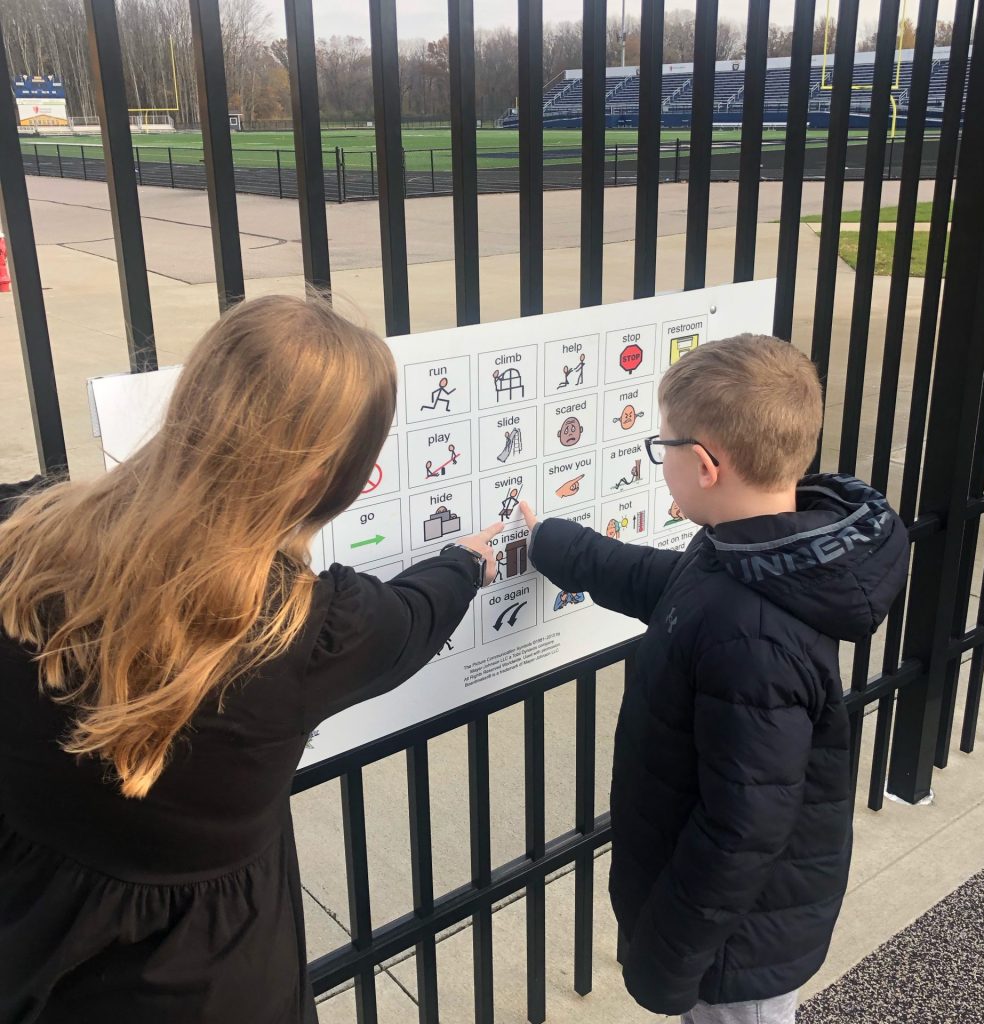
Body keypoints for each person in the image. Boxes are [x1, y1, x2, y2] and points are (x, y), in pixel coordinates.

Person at [0, 295, 502, 1024]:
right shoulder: (311, 628)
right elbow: (415, 617)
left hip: (28, 933)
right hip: (208, 982)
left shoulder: (24, 532)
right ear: (336, 482)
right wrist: (465, 561)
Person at [521, 334, 909, 1024]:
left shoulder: (752, 635)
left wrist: (667, 963)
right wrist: (558, 544)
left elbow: (743, 829)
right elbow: (670, 586)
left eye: (660, 447)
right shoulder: (757, 552)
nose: (659, 460)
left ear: (702, 464)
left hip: (735, 954)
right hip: (728, 927)